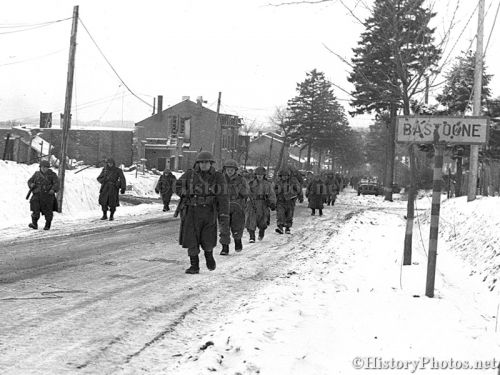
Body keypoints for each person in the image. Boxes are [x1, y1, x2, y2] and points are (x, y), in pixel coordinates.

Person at [175, 151, 230, 274]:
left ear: (211, 163)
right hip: (192, 211)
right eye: (201, 162)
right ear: (198, 163)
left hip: (209, 212)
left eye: (207, 162)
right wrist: (183, 192)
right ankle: (194, 265)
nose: (204, 165)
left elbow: (223, 197)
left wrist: (223, 214)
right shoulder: (190, 175)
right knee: (191, 239)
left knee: (208, 238)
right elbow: (177, 185)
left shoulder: (218, 177)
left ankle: (209, 256)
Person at [220, 159, 249, 255]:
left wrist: (240, 190)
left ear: (235, 170)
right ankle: (225, 247)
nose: (230, 171)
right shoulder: (220, 179)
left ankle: (237, 240)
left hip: (237, 205)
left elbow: (246, 192)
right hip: (224, 205)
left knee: (237, 225)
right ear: (225, 169)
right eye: (228, 169)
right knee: (224, 227)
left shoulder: (241, 180)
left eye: (232, 169)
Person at [246, 166, 276, 242]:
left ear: (264, 175)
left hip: (263, 204)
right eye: (258, 174)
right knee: (251, 220)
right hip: (253, 204)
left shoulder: (267, 184)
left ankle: (261, 232)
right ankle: (252, 236)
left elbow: (271, 194)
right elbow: (246, 193)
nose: (259, 176)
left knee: (263, 221)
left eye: (261, 174)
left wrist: (272, 203)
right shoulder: (251, 184)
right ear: (255, 175)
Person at [27, 160, 59, 230]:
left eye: (46, 167)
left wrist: (53, 190)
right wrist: (31, 184)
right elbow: (30, 181)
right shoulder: (36, 174)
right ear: (40, 167)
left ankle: (47, 225)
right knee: (35, 210)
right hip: (37, 195)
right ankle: (34, 224)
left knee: (48, 211)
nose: (44, 169)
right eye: (42, 167)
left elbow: (56, 184)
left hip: (48, 196)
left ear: (48, 168)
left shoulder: (52, 175)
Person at [274, 167, 303, 234]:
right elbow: (272, 190)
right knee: (280, 214)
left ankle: (287, 227)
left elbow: (298, 189)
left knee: (289, 214)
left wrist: (300, 196)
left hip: (290, 201)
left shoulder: (293, 181)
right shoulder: (278, 182)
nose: (284, 177)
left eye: (286, 176)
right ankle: (280, 227)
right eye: (283, 176)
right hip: (280, 201)